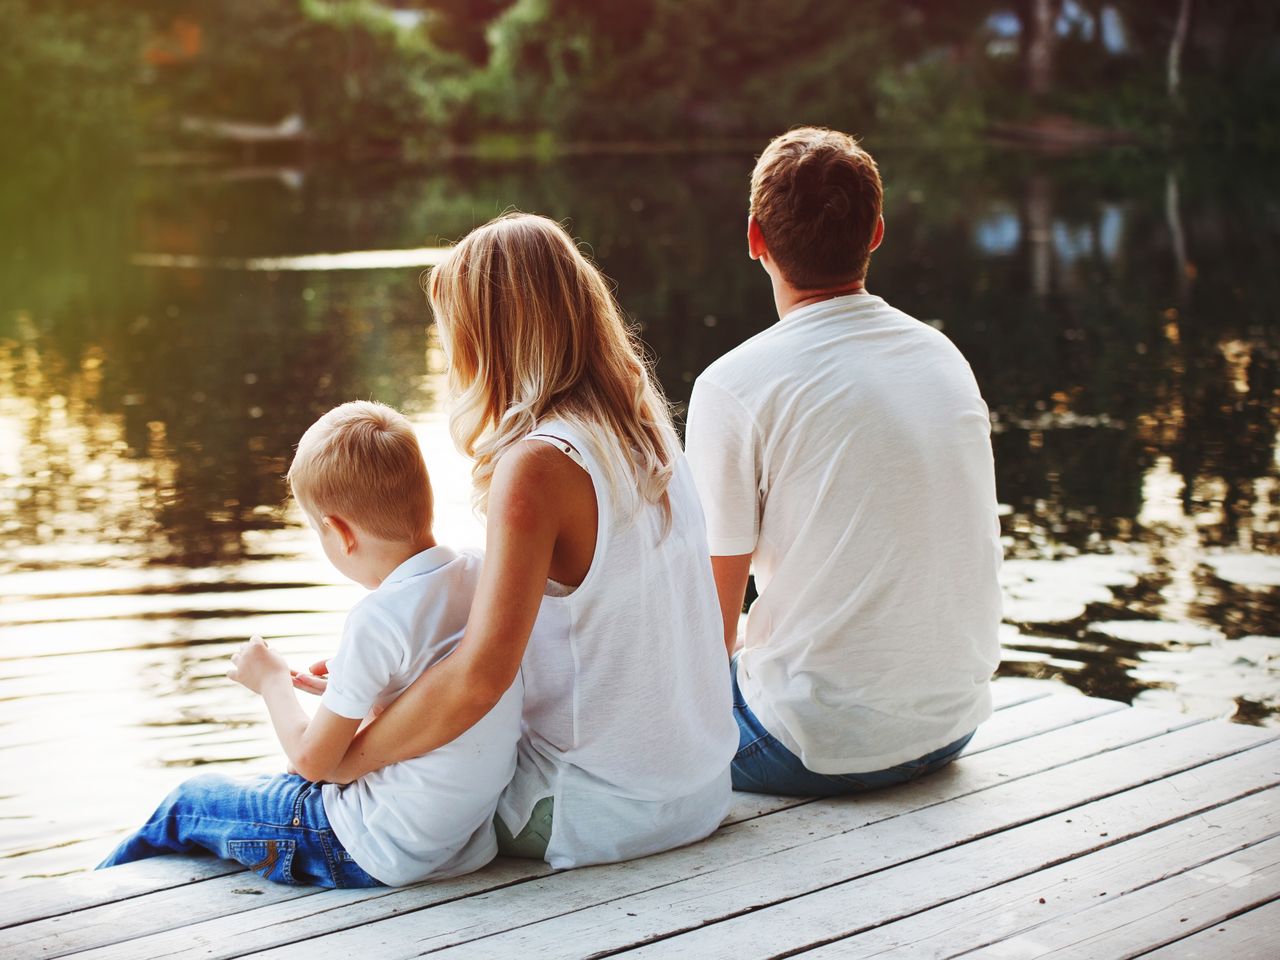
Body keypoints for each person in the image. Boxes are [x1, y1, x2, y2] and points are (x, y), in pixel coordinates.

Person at [297, 213, 738, 869]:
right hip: (696, 793)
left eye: (456, 344)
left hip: (592, 810)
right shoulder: (642, 427)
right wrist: (396, 673)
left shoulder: (537, 464)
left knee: (291, 809)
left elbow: (480, 679)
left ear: (491, 343)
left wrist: (345, 758)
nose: (452, 364)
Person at [685, 127, 1003, 796]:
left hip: (806, 747)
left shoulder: (732, 386)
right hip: (950, 725)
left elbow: (709, 628)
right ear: (877, 232)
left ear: (754, 238)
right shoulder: (943, 357)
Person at [98, 401, 522, 887]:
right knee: (261, 791)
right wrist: (354, 690)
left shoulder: (377, 617)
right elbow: (427, 693)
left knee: (187, 802)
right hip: (456, 847)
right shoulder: (478, 573)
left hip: (359, 847)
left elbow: (312, 762)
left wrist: (272, 680)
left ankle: (80, 910)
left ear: (340, 532)